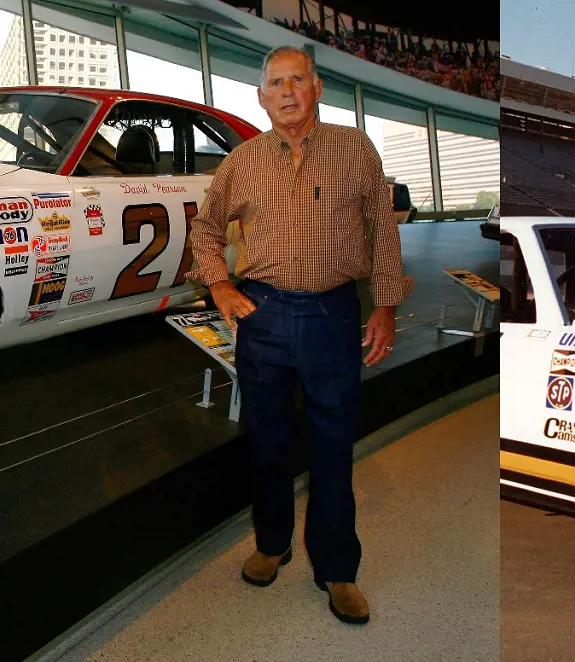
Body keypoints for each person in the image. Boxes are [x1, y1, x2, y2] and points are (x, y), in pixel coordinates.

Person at [185, 44, 411, 625]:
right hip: (263, 317)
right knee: (268, 443)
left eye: (297, 80)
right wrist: (220, 287)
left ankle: (337, 569)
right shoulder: (244, 160)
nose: (287, 91)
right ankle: (272, 543)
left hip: (334, 315)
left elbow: (382, 229)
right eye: (276, 83)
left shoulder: (353, 147)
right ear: (262, 98)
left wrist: (384, 304)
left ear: (317, 88)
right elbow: (205, 228)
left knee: (333, 447)